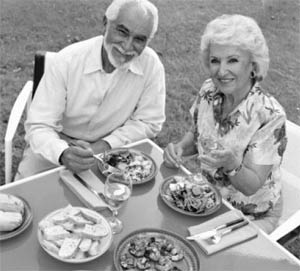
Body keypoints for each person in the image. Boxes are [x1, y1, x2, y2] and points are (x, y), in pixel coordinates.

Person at [163, 14, 287, 233]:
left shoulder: (270, 115)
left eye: (232, 60)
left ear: (253, 64)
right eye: (215, 60)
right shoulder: (208, 90)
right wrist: (180, 148)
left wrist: (232, 164)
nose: (221, 71)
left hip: (253, 214)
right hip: (211, 198)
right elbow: (197, 134)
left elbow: (251, 186)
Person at [15, 0, 165, 179]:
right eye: (122, 32)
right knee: (26, 200)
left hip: (113, 148)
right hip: (55, 142)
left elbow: (149, 122)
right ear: (105, 23)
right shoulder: (67, 60)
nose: (127, 46)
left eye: (139, 39)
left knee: (113, 201)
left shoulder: (151, 66)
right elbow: (39, 125)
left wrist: (105, 145)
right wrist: (63, 153)